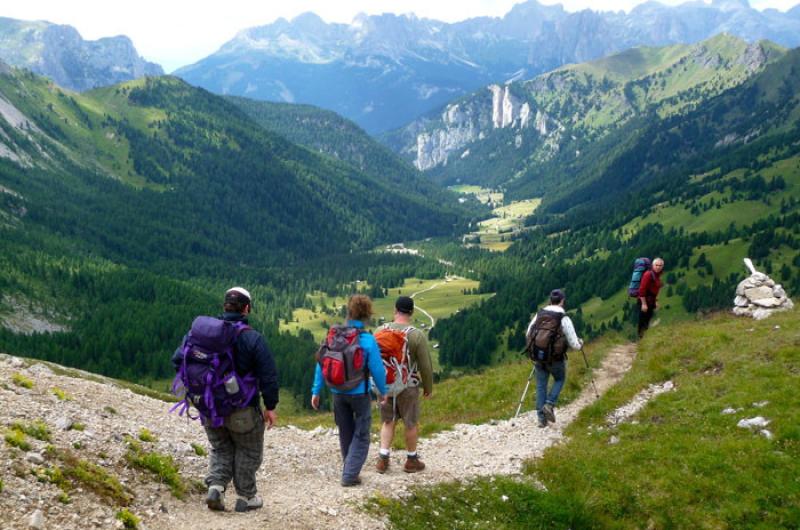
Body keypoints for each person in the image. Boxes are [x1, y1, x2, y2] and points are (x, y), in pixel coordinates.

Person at [172, 287, 279, 513]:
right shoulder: (252, 338)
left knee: (220, 448)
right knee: (248, 451)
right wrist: (270, 406)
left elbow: (177, 360)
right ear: (246, 308)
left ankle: (217, 488)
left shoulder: (201, 335)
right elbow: (268, 375)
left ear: (225, 306)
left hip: (209, 407)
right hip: (243, 410)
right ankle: (247, 497)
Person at [311, 294, 388, 487]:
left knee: (345, 431)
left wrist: (316, 390)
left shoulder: (334, 335)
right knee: (361, 434)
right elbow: (377, 369)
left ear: (349, 312)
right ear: (367, 315)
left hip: (337, 392)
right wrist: (383, 391)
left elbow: (321, 363)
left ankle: (349, 468)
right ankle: (349, 475)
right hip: (359, 393)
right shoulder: (367, 340)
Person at [375, 296, 433, 474]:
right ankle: (411, 460)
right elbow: (425, 365)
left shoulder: (379, 331)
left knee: (387, 421)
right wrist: (428, 387)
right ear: (412, 312)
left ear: (395, 310)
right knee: (410, 423)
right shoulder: (416, 335)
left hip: (385, 386)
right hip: (408, 386)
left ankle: (383, 459)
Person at [525, 289, 583, 428]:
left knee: (541, 385)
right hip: (556, 359)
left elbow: (528, 334)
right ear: (562, 301)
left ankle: (541, 420)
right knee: (559, 379)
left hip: (539, 357)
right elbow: (574, 344)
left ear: (550, 300)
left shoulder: (539, 315)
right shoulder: (563, 318)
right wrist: (580, 344)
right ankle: (549, 404)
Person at [638, 257, 665, 338]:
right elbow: (642, 289)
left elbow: (654, 289)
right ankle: (641, 340)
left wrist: (656, 301)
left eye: (660, 265)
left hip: (651, 301)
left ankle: (643, 338)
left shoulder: (657, 275)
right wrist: (643, 304)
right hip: (645, 301)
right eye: (656, 265)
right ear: (653, 265)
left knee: (647, 320)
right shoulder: (648, 274)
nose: (658, 267)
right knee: (643, 321)